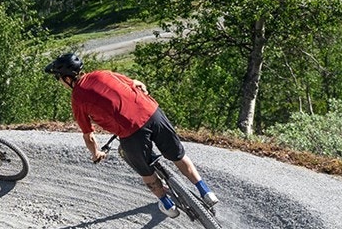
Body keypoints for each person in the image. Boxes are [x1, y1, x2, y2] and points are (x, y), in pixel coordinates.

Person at [43, 51, 219, 219]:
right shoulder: (103, 74)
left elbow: (88, 135)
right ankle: (205, 191)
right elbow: (138, 84)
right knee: (178, 156)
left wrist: (96, 153)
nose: (60, 82)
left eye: (59, 79)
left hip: (131, 132)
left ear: (67, 78)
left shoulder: (77, 99)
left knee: (146, 172)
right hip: (152, 113)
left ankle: (167, 205)